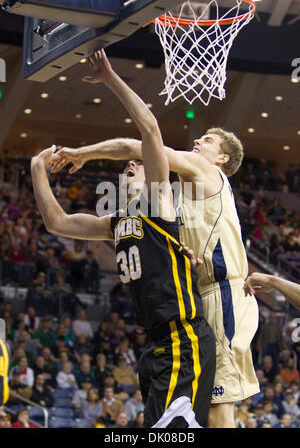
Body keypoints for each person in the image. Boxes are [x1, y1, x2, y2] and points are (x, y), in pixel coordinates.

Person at [51, 51, 258, 429]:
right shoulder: (178, 195)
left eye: (208, 140)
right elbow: (59, 221)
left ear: (223, 159)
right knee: (205, 408)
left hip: (222, 293)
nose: (198, 141)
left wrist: (82, 152)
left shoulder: (203, 170)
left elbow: (138, 144)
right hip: (202, 293)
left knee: (220, 406)